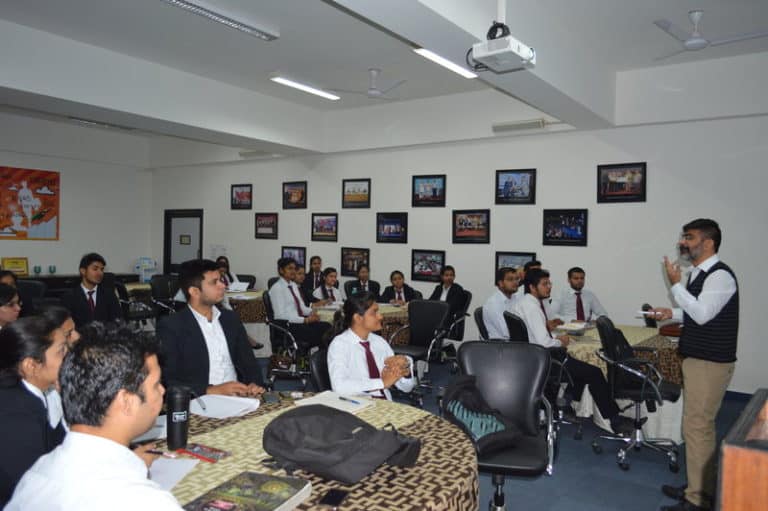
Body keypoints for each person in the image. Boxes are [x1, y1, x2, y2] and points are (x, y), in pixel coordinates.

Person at [6, 323, 183, 511]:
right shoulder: (145, 501)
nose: (162, 390)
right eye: (156, 385)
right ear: (126, 401)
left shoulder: (36, 475)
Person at [650, 219, 738, 511]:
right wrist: (672, 313)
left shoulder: (720, 275)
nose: (683, 242)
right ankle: (699, 487)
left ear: (708, 243)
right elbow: (699, 311)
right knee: (697, 428)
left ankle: (698, 500)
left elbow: (701, 314)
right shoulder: (700, 274)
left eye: (689, 237)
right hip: (699, 360)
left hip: (709, 364)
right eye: (683, 237)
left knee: (698, 428)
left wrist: (676, 285)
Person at [513, 268, 633, 435]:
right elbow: (543, 342)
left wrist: (553, 335)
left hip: (533, 358)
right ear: (532, 287)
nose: (549, 287)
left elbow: (535, 334)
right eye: (545, 284)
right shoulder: (532, 308)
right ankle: (615, 420)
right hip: (546, 359)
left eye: (549, 283)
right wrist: (560, 341)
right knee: (594, 372)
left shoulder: (524, 303)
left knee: (580, 365)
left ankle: (566, 403)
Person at [0, 309, 79, 506]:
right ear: (31, 366)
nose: (69, 355)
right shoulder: (14, 413)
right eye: (61, 351)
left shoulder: (31, 395)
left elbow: (58, 445)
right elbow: (33, 490)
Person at [157, 259, 264, 398]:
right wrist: (211, 390)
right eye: (214, 282)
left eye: (221, 280)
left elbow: (250, 364)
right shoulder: (172, 326)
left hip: (239, 398)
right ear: (195, 291)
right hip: (199, 400)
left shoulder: (230, 319)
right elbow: (169, 380)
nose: (223, 286)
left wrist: (254, 385)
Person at [328, 292, 415, 400]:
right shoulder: (340, 345)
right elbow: (339, 387)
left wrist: (405, 370)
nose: (380, 316)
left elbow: (406, 388)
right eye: (374, 312)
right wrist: (381, 383)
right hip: (356, 404)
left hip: (384, 403)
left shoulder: (379, 342)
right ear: (358, 318)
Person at [268, 257, 332, 349]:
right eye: (290, 268)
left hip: (298, 322)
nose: (293, 271)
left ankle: (321, 355)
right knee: (322, 334)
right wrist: (305, 320)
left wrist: (313, 312)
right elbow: (280, 316)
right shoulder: (277, 289)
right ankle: (319, 356)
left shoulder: (293, 285)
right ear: (281, 270)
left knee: (327, 326)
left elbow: (302, 308)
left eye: (294, 269)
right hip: (288, 326)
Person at [61, 253, 123, 328]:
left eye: (102, 269)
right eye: (95, 269)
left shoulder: (109, 295)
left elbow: (118, 322)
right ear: (83, 271)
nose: (100, 273)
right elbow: (65, 326)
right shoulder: (69, 297)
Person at [429, 265, 467, 338]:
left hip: (448, 318)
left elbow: (452, 306)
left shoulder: (458, 289)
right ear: (442, 277)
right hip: (436, 316)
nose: (449, 277)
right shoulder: (438, 288)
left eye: (451, 275)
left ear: (454, 277)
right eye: (446, 275)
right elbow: (430, 302)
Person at [482, 267, 520, 339]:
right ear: (501, 283)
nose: (515, 282)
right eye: (510, 279)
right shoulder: (493, 304)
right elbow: (507, 332)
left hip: (514, 340)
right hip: (501, 343)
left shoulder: (514, 298)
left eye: (516, 279)